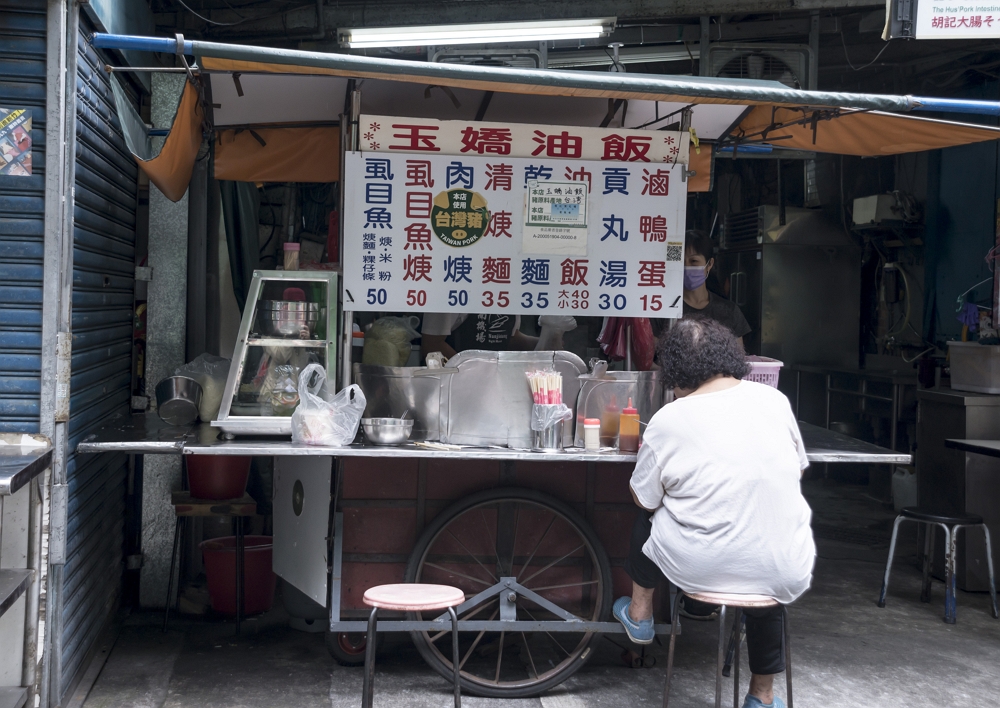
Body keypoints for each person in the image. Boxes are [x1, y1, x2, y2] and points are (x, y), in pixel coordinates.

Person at [612, 316, 815, 708]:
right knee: (765, 565)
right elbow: (799, 468)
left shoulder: (669, 419)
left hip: (701, 568)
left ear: (676, 370)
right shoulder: (776, 401)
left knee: (653, 511)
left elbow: (644, 499)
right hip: (786, 567)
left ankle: (640, 613)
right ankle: (762, 696)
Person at [683, 230, 751, 344]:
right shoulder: (663, 308)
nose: (686, 267)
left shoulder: (729, 311)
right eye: (680, 261)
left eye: (693, 261)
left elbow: (738, 357)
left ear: (709, 264)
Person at [421, 314, 576, 360]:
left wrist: (547, 342)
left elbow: (511, 339)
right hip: (452, 385)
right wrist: (470, 373)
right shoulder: (454, 290)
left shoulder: (509, 292)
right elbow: (431, 344)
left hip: (492, 384)